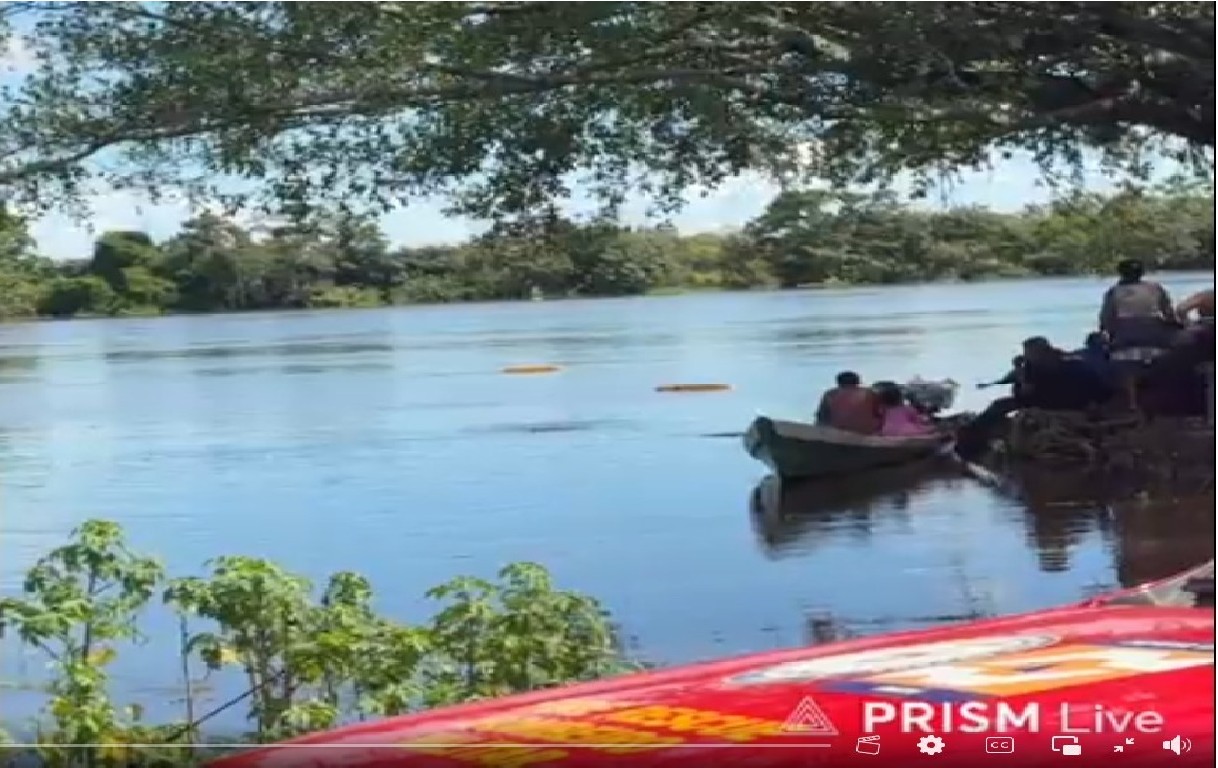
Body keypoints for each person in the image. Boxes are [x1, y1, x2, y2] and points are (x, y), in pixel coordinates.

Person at [955, 337, 1114, 459]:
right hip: (1076, 405)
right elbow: (1101, 391)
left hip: (1050, 405)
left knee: (999, 406)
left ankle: (969, 444)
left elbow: (1023, 395)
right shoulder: (1076, 363)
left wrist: (1020, 371)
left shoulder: (1036, 368)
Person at [815, 371, 881, 434]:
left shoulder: (830, 394)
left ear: (838, 383)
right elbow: (879, 414)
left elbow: (821, 417)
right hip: (867, 432)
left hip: (838, 432)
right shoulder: (870, 393)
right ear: (858, 382)